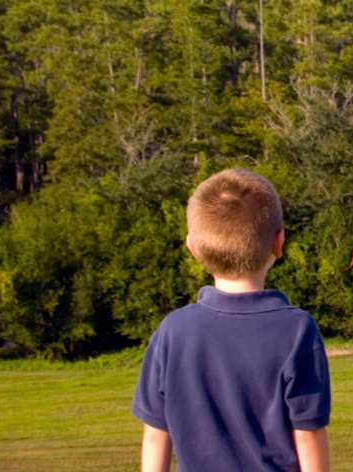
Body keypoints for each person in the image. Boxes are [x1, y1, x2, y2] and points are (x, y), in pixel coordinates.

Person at [133, 168, 331, 472]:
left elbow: (155, 434)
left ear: (193, 248)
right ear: (278, 242)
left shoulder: (173, 331)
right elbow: (308, 432)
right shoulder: (297, 330)